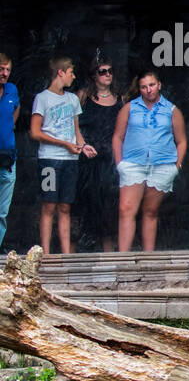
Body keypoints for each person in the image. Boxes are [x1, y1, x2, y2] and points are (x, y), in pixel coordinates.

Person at [113, 70, 186, 252]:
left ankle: (148, 257)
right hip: (133, 163)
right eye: (144, 87)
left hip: (162, 165)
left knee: (150, 211)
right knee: (126, 209)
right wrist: (119, 163)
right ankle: (123, 259)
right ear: (139, 89)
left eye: (152, 85)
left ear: (159, 85)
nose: (148, 90)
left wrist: (176, 166)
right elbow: (117, 137)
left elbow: (181, 140)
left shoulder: (171, 110)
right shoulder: (129, 108)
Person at [31, 56, 95, 254]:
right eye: (71, 73)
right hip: (49, 159)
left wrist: (83, 146)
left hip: (70, 160)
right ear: (60, 72)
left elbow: (76, 131)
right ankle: (46, 254)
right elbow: (35, 132)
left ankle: (66, 254)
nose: (73, 77)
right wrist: (64, 144)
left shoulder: (73, 99)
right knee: (49, 205)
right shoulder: (42, 98)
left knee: (65, 206)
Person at [76, 57, 123, 251]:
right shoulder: (83, 96)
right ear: (94, 75)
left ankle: (109, 251)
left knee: (110, 205)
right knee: (86, 202)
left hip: (110, 160)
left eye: (110, 71)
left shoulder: (120, 98)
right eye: (103, 71)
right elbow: (73, 124)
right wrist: (82, 144)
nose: (107, 75)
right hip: (87, 158)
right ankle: (79, 249)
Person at [0, 53, 18, 250]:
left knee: (1, 212)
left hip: (7, 159)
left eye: (7, 70)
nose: (5, 73)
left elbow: (16, 110)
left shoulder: (12, 90)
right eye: (1, 69)